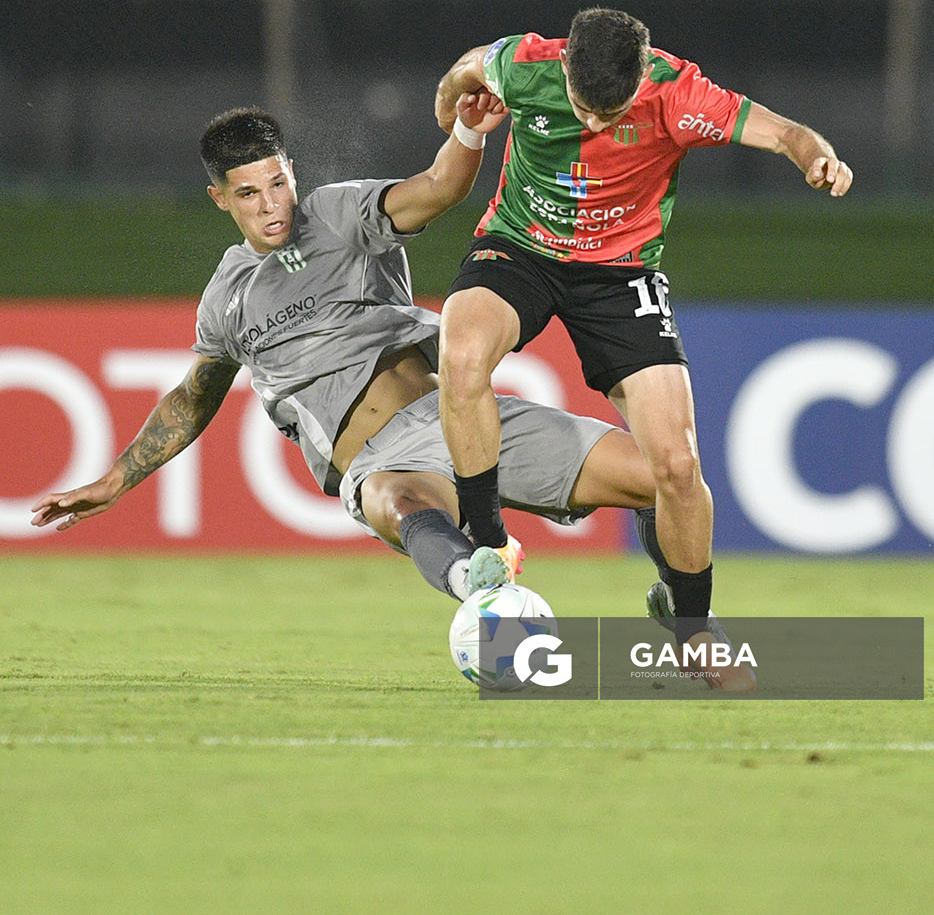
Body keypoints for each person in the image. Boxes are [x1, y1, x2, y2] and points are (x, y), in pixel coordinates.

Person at [31, 100, 671, 625]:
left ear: (291, 172)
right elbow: (193, 398)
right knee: (401, 501)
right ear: (219, 198)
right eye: (249, 193)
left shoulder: (338, 214)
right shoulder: (227, 299)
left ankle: (676, 600)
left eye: (278, 182)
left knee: (659, 476)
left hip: (462, 419)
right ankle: (479, 588)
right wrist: (116, 480)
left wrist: (469, 130)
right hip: (377, 462)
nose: (271, 204)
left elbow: (438, 188)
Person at [434, 7, 853, 660]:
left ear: (641, 78)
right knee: (460, 357)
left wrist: (815, 156)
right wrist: (451, 110)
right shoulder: (525, 66)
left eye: (613, 110)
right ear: (566, 68)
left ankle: (691, 626)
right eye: (585, 107)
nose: (598, 122)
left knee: (677, 465)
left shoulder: (678, 94)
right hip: (519, 248)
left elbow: (782, 132)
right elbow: (465, 67)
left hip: (619, 274)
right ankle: (490, 546)